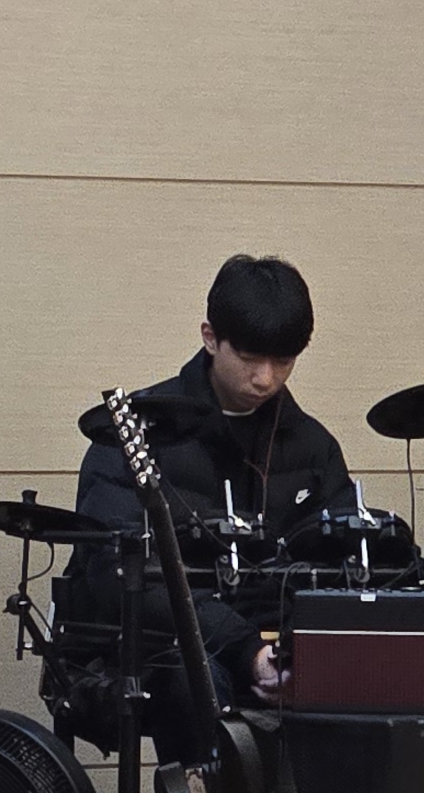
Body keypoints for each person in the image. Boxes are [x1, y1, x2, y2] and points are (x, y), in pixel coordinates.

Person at [62, 256, 353, 716]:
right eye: (250, 358)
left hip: (272, 644)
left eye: (283, 361)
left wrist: (296, 651)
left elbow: (340, 558)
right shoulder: (137, 431)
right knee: (195, 683)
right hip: (155, 647)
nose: (266, 378)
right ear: (210, 338)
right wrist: (245, 650)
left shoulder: (313, 447)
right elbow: (113, 570)